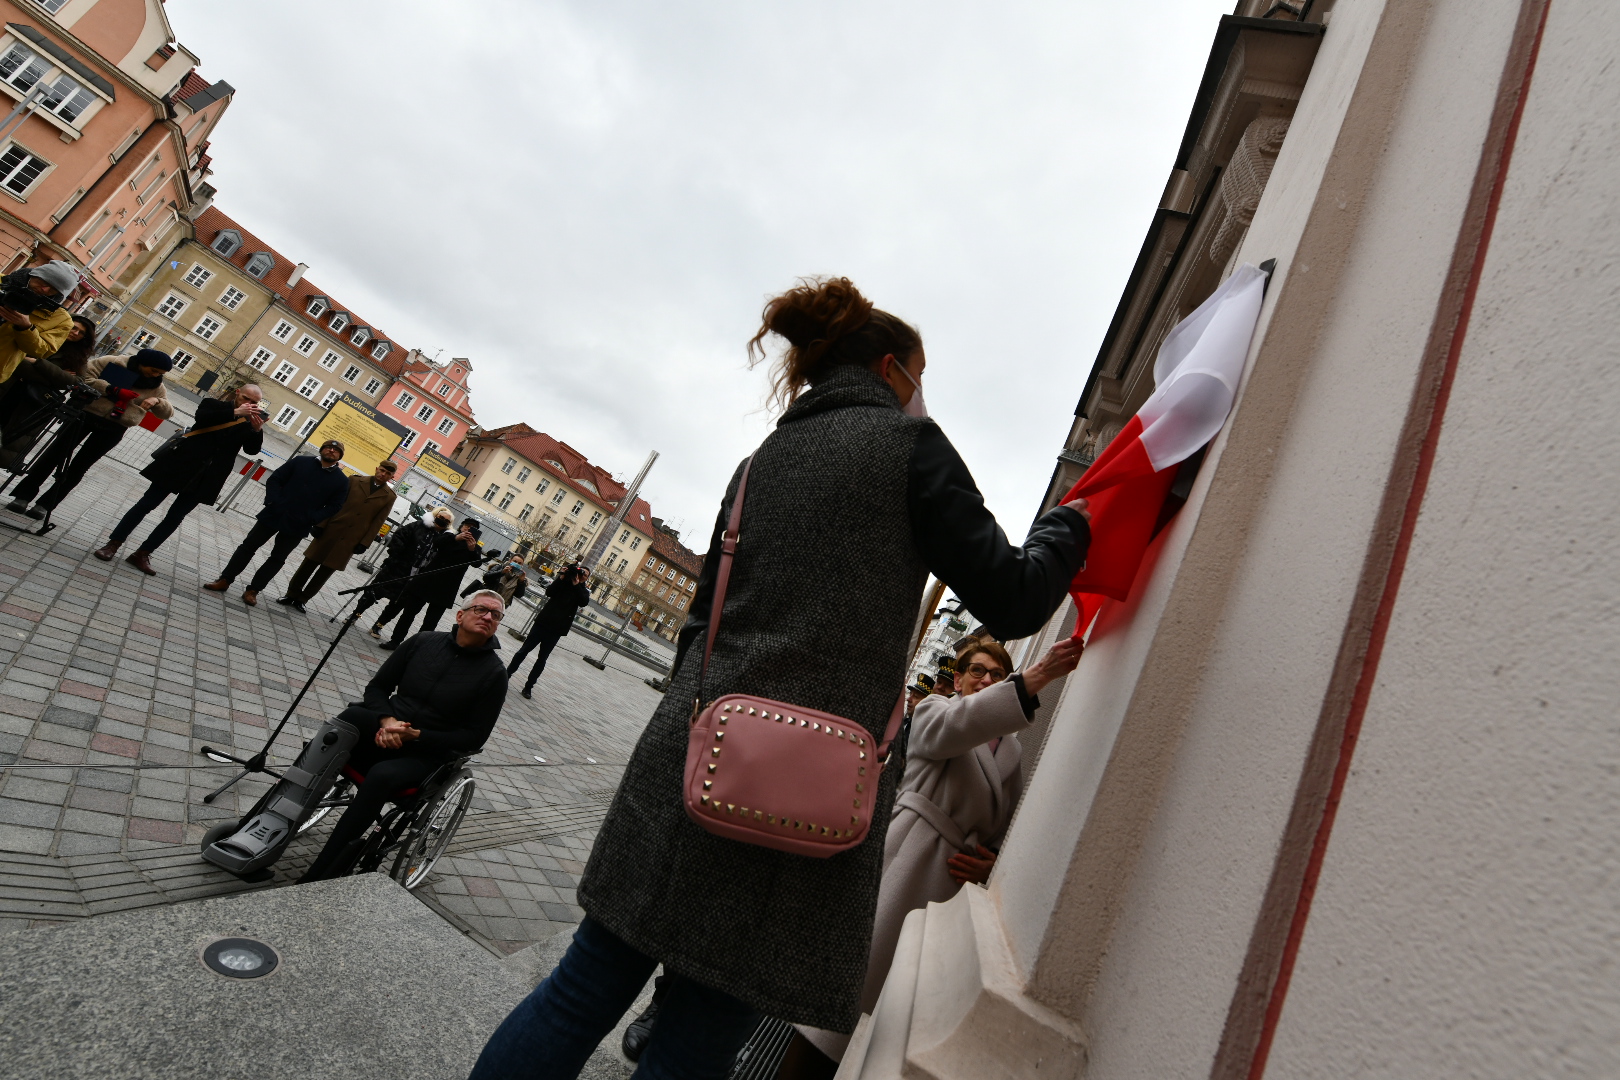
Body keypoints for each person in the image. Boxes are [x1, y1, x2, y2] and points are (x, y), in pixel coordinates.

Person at [468, 276, 1092, 1079]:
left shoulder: (760, 461)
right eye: (920, 377)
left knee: (581, 988)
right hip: (808, 788)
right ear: (894, 370)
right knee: (701, 1032)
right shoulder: (911, 449)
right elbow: (1013, 597)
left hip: (692, 757)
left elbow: (704, 620)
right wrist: (1071, 522)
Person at [791, 634, 1083, 1069]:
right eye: (978, 671)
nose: (987, 680)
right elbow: (957, 729)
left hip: (948, 890)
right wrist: (1034, 677)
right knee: (843, 1001)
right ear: (961, 680)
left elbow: (1002, 828)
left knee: (896, 1019)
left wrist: (993, 863)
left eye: (998, 674)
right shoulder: (934, 710)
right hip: (903, 862)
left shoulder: (1013, 752)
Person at [298, 590, 508, 883]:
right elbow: (377, 688)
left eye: (495, 615)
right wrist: (388, 722)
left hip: (424, 754)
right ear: (460, 615)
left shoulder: (494, 674)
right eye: (480, 609)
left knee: (382, 775)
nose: (487, 617)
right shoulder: (423, 642)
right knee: (346, 721)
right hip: (387, 727)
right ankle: (275, 817)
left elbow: (473, 738)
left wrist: (416, 735)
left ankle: (320, 872)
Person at [95, 383, 266, 574]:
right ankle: (113, 544)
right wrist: (235, 412)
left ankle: (143, 553)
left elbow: (251, 450)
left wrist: (256, 430)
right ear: (237, 393)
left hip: (209, 474)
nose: (250, 404)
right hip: (181, 463)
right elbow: (202, 420)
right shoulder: (213, 405)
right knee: (146, 504)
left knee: (175, 516)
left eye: (255, 402)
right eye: (246, 399)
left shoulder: (251, 420)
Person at [5, 347, 174, 519]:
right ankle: (23, 496)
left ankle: (46, 504)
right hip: (84, 415)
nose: (155, 375)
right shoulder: (111, 362)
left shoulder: (157, 386)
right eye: (153, 370)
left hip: (114, 427)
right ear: (142, 362)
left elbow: (167, 413)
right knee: (54, 455)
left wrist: (157, 400)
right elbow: (82, 378)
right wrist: (110, 389)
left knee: (79, 467)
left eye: (160, 373)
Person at [203, 440, 350, 606]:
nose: (331, 451)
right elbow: (275, 479)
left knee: (277, 559)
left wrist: (312, 518)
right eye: (328, 447)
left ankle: (253, 590)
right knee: (248, 546)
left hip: (299, 524)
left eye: (336, 450)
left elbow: (335, 506)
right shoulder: (301, 461)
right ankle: (225, 579)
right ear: (322, 449)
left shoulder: (341, 481)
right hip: (275, 513)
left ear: (339, 456)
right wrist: (273, 502)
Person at [277, 458, 397, 612]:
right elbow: (334, 503)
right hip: (331, 530)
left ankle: (303, 599)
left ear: (391, 477)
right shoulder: (354, 480)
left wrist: (364, 543)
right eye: (382, 470)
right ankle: (291, 594)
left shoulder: (389, 496)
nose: (383, 474)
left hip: (350, 540)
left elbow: (378, 521)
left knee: (325, 571)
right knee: (309, 563)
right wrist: (321, 524)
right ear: (376, 469)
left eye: (387, 473)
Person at [0, 313, 98, 470]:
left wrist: (37, 362)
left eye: (81, 333)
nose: (75, 333)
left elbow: (76, 382)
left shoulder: (77, 357)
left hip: (31, 402)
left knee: (8, 438)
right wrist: (56, 375)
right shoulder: (42, 337)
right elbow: (16, 363)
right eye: (74, 328)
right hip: (8, 389)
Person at [379, 516, 483, 650]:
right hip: (427, 580)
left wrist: (472, 549)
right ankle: (395, 640)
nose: (468, 529)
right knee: (408, 613)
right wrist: (456, 538)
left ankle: (418, 648)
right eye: (466, 526)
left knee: (430, 622)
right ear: (461, 526)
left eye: (472, 528)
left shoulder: (474, 548)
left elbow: (477, 563)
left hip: (446, 588)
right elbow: (437, 543)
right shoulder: (450, 537)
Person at [360, 507, 451, 637]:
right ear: (435, 516)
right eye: (440, 517)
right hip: (396, 568)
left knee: (398, 603)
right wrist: (397, 556)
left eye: (446, 521)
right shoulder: (418, 526)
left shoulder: (442, 538)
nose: (442, 521)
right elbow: (398, 537)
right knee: (373, 592)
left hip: (414, 576)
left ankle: (379, 625)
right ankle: (356, 614)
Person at [506, 563, 589, 699]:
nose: (581, 574)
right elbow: (549, 592)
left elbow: (583, 602)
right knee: (524, 650)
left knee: (542, 659)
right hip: (543, 623)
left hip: (556, 630)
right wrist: (561, 577)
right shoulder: (564, 581)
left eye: (584, 574)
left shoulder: (582, 590)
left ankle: (529, 687)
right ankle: (506, 675)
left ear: (586, 578)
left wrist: (576, 584)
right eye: (580, 571)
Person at [0, 261, 76, 384]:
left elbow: (43, 351)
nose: (45, 289)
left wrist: (25, 327)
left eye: (53, 289)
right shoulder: (2, 282)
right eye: (44, 282)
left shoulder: (61, 319)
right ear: (34, 274)